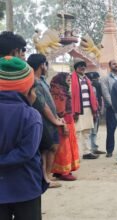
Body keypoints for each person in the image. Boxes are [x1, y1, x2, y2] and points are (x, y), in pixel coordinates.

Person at [0, 56, 47, 220]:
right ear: (26, 90)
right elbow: (27, 152)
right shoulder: (31, 115)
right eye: (33, 90)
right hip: (25, 187)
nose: (34, 95)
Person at [27, 54, 64, 188]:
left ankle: (47, 176)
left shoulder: (42, 80)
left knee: (52, 147)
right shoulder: (34, 81)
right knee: (45, 149)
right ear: (42, 65)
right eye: (46, 64)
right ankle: (45, 179)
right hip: (43, 120)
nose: (47, 67)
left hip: (50, 120)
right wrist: (55, 120)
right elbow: (42, 105)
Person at [50, 72, 80, 181]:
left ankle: (59, 171)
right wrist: (64, 126)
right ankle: (64, 172)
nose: (69, 80)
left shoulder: (62, 90)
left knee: (66, 147)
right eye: (67, 79)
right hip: (64, 122)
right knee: (64, 148)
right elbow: (59, 111)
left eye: (70, 79)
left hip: (68, 121)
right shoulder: (59, 92)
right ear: (62, 79)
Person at [71, 58, 99, 159]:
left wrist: (95, 108)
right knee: (77, 132)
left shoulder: (86, 79)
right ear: (76, 68)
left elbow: (92, 95)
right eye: (79, 66)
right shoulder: (71, 78)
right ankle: (76, 155)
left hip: (88, 109)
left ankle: (86, 152)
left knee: (86, 131)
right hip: (77, 110)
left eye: (83, 65)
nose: (82, 67)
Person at [100, 60, 117, 157]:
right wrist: (113, 105)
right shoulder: (105, 78)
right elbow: (106, 93)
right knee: (111, 130)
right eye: (114, 64)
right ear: (110, 66)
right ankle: (109, 151)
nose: (116, 65)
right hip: (112, 108)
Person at [86, 71, 105, 155]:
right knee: (92, 131)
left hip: (94, 110)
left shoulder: (89, 85)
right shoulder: (96, 84)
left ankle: (92, 148)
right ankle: (91, 149)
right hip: (92, 110)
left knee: (92, 131)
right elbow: (101, 97)